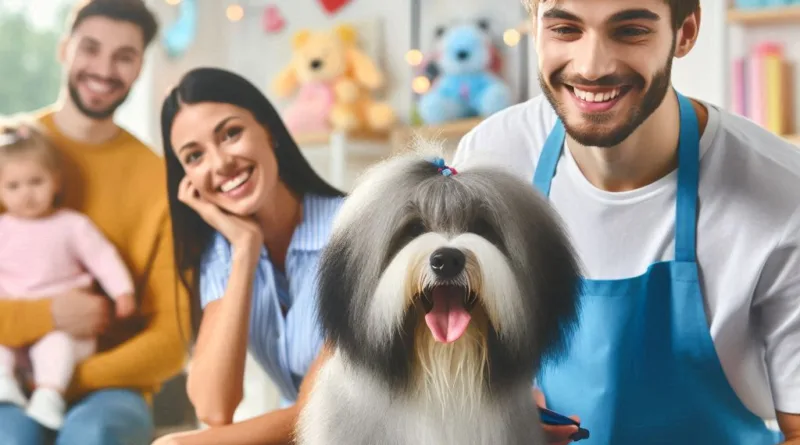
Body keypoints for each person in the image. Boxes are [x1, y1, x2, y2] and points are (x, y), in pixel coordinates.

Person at [453, 0, 800, 444]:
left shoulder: (783, 197)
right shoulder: (491, 158)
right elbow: (451, 355)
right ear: (534, 23)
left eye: (630, 30)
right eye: (565, 29)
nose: (592, 67)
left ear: (686, 31)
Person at [0, 1, 190, 444]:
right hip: (7, 371)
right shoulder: (9, 155)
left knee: (94, 434)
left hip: (110, 389)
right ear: (64, 50)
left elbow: (171, 340)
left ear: (140, 66)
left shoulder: (159, 181)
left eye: (124, 56)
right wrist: (46, 316)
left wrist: (60, 375)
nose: (104, 69)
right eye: (91, 48)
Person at [152, 67, 344, 445]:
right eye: (194, 156)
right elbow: (214, 407)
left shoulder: (355, 231)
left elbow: (324, 408)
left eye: (231, 134)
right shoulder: (224, 252)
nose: (220, 164)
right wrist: (244, 252)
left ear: (269, 130)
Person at [0, 120, 136, 431]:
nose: (27, 194)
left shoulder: (71, 225)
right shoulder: (2, 229)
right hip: (15, 333)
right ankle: (4, 382)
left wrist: (123, 293)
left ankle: (49, 396)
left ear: (56, 182)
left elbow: (103, 258)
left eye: (36, 182)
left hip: (70, 329)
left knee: (56, 344)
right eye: (13, 186)